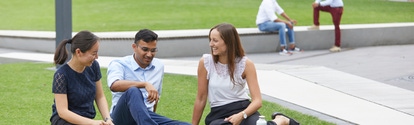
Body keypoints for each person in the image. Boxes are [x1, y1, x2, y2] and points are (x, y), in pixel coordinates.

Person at [192, 23, 300, 125]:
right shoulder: (206, 62)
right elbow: (201, 98)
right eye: (210, 40)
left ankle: (281, 120)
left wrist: (241, 115)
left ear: (228, 42)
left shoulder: (246, 64)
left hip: (243, 110)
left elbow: (257, 101)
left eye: (215, 40)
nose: (211, 44)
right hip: (218, 114)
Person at [106, 29, 191, 125]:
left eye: (153, 50)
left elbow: (154, 97)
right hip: (122, 117)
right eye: (145, 50)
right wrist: (144, 84)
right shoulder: (119, 64)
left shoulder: (158, 66)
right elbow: (114, 85)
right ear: (134, 47)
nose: (149, 54)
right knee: (133, 91)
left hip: (146, 116)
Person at [50, 30, 114, 125]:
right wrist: (92, 123)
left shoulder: (94, 66)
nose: (97, 57)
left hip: (86, 120)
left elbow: (100, 96)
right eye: (93, 53)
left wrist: (108, 119)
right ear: (79, 52)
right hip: (65, 121)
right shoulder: (61, 75)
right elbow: (63, 112)